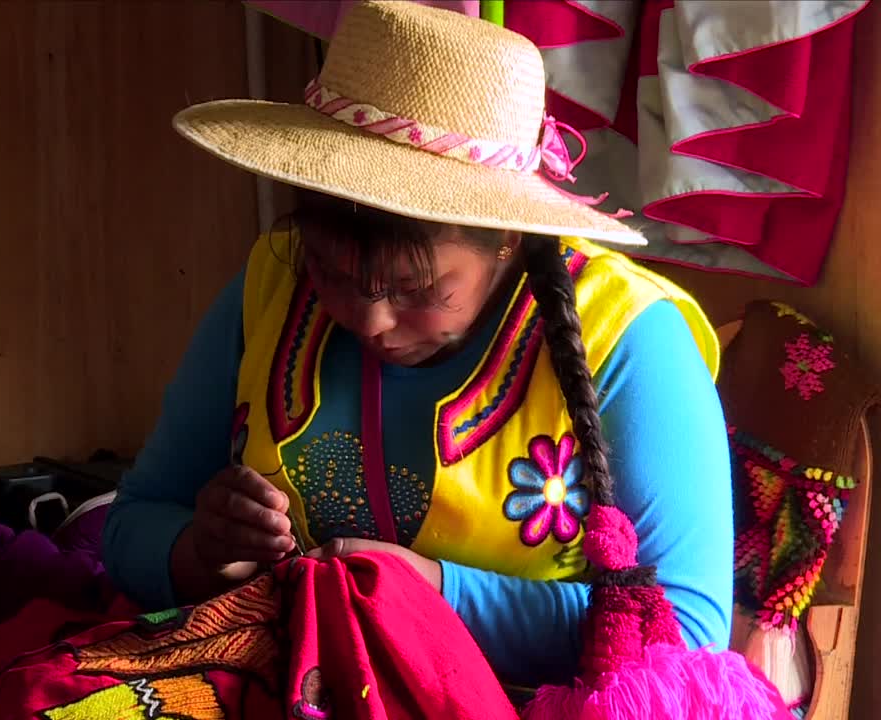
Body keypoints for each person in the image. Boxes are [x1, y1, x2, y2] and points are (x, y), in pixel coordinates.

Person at [102, 0, 733, 690]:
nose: (369, 323)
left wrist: (429, 593)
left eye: (420, 291)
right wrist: (201, 551)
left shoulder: (631, 336)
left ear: (507, 239)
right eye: (334, 275)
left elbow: (685, 634)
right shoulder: (272, 282)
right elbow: (133, 522)